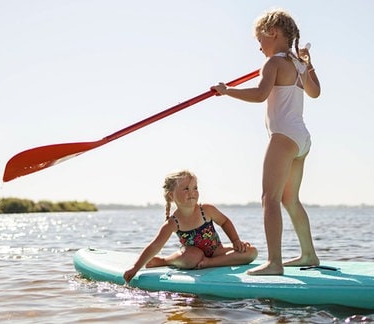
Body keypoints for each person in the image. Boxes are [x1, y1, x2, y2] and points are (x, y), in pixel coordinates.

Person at [211, 9, 321, 275]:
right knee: (289, 199)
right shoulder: (298, 64)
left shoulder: (273, 64)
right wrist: (309, 63)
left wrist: (228, 92)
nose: (259, 47)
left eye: (259, 39)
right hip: (302, 138)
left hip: (283, 136)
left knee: (268, 198)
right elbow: (315, 92)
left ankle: (274, 262)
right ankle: (308, 254)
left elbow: (260, 94)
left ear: (272, 33)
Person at [123, 170, 258, 284]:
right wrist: (135, 268)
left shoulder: (206, 210)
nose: (192, 192)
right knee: (193, 257)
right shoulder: (173, 222)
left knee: (251, 251)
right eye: (186, 188)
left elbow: (225, 222)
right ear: (172, 195)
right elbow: (155, 246)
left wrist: (236, 241)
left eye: (195, 188)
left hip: (216, 250)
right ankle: (165, 260)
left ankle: (209, 263)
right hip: (191, 254)